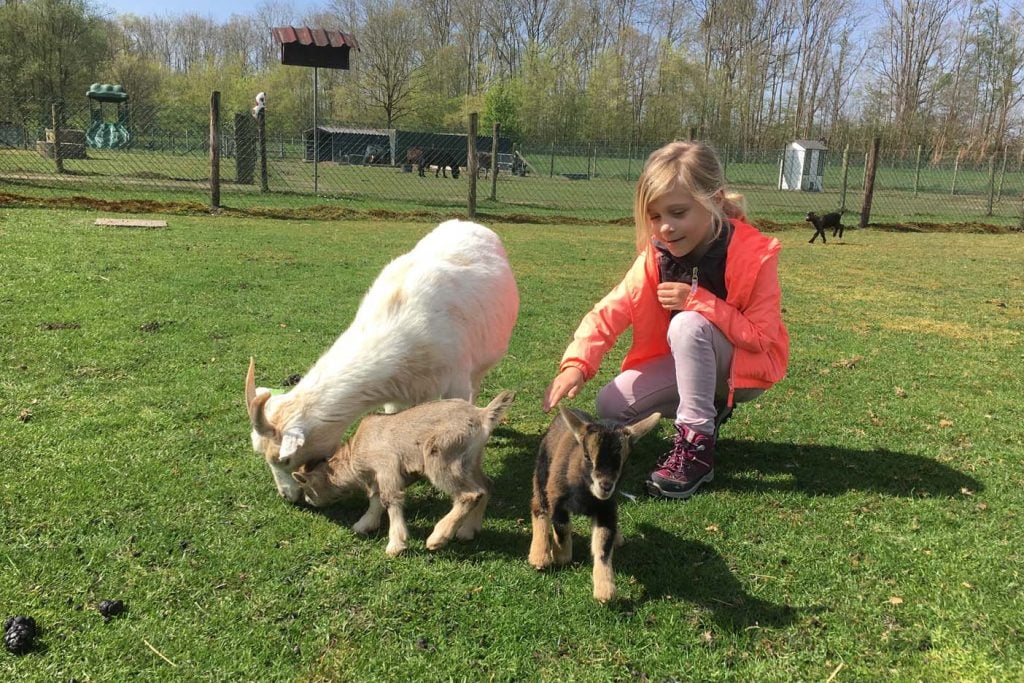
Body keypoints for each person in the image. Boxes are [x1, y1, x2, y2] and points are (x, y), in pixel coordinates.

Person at [542, 141, 789, 499]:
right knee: (612, 405)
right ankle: (708, 409)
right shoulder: (656, 259)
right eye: (655, 217)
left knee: (687, 323)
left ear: (715, 201)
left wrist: (698, 302)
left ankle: (696, 449)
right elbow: (609, 311)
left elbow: (761, 337)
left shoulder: (755, 255)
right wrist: (576, 364)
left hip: (746, 369)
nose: (665, 228)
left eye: (678, 212)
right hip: (692, 362)